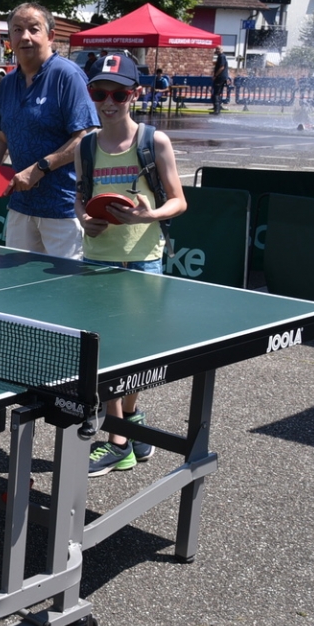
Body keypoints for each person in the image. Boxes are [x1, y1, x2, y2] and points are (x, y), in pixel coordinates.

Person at [73, 52, 188, 477]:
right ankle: (127, 433)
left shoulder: (153, 142)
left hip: (142, 261)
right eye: (99, 92)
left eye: (118, 93)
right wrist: (85, 220)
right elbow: (81, 198)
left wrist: (148, 216)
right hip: (98, 260)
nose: (108, 101)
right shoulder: (87, 146)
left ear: (134, 94)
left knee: (134, 353)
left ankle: (119, 438)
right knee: (107, 354)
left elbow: (178, 200)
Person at [0, 2, 98, 259]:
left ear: (50, 36)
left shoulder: (67, 76)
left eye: (34, 29)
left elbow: (86, 137)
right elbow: (3, 138)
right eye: (17, 30)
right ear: (9, 38)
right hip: (20, 209)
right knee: (18, 291)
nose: (25, 36)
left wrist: (39, 170)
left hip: (64, 209)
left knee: (62, 292)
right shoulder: (7, 83)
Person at [211, 49, 229, 113]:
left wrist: (215, 75)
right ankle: (217, 108)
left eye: (216, 50)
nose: (214, 51)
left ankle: (217, 110)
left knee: (216, 94)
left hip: (219, 77)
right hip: (222, 77)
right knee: (217, 93)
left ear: (218, 50)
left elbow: (222, 67)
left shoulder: (221, 56)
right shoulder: (222, 56)